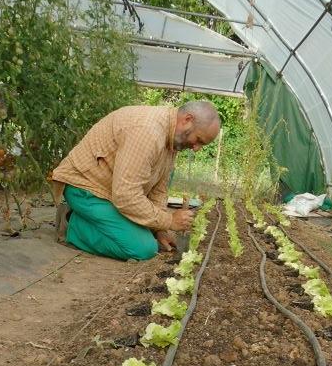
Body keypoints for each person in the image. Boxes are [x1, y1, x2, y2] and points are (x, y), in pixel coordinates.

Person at [49, 101, 220, 261]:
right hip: (86, 189)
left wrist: (159, 229)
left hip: (111, 193)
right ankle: (71, 223)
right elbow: (125, 196)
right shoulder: (148, 132)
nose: (197, 149)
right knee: (143, 248)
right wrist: (169, 220)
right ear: (187, 120)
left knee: (150, 233)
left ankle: (94, 220)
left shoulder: (171, 140)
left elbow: (159, 189)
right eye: (198, 140)